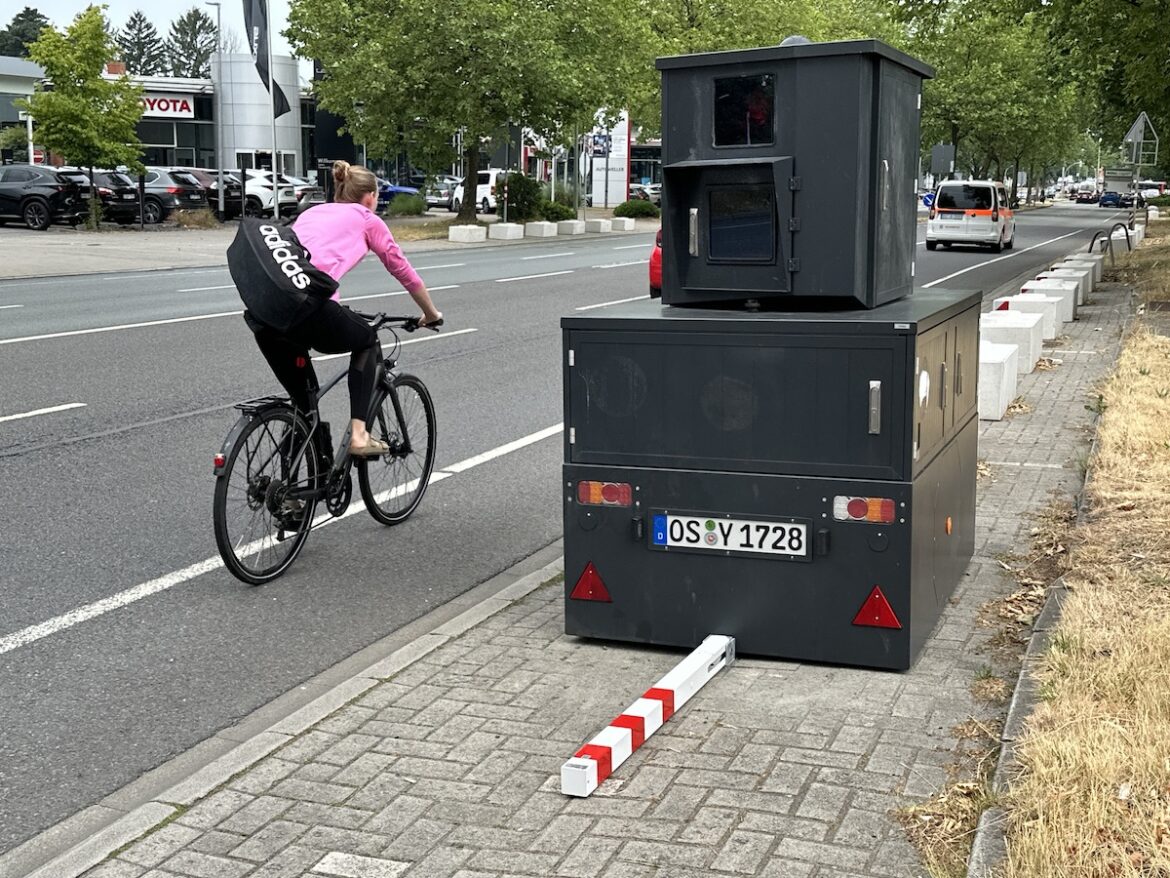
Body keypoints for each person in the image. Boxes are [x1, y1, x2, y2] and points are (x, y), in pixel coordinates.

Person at [244, 160, 442, 457]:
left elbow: (302, 263)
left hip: (266, 314)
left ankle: (296, 493)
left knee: (303, 404)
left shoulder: (312, 212)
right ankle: (360, 435)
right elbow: (402, 270)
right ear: (370, 196)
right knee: (366, 338)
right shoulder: (367, 219)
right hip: (310, 310)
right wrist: (430, 313)